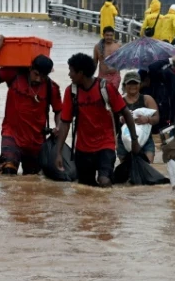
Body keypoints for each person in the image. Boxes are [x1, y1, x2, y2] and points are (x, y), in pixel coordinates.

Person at [0, 35, 62, 175]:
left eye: (43, 77)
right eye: (36, 74)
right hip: (11, 135)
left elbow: (59, 111)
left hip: (36, 142)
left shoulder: (52, 88)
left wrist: (58, 127)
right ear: (30, 68)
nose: (38, 79)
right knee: (7, 171)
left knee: (31, 182)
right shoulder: (14, 75)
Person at [55, 53, 140, 187]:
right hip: (82, 148)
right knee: (85, 188)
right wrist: (58, 152)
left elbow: (126, 113)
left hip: (105, 144)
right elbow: (65, 123)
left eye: (71, 71)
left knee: (104, 181)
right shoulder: (71, 92)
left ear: (81, 73)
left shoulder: (105, 88)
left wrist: (135, 140)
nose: (69, 75)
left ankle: (108, 208)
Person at [115, 71, 160, 165]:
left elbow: (156, 118)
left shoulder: (147, 99)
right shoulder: (119, 100)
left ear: (140, 84)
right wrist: (121, 119)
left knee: (147, 168)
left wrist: (147, 119)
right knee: (127, 173)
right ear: (124, 85)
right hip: (124, 140)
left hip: (145, 139)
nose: (132, 86)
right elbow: (112, 121)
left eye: (135, 83)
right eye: (129, 83)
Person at [93, 26, 121, 90]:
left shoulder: (118, 46)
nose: (109, 37)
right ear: (103, 35)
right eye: (107, 35)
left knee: (112, 96)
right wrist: (90, 76)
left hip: (115, 76)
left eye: (111, 35)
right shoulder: (97, 47)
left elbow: (122, 62)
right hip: (102, 76)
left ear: (113, 35)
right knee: (102, 96)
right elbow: (95, 63)